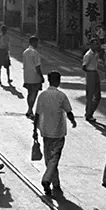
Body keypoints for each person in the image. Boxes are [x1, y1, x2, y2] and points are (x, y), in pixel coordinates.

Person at [34, 70, 76, 198]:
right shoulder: (61, 96)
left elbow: (37, 114)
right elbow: (68, 111)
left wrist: (34, 131)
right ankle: (47, 180)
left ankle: (55, 183)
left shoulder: (42, 95)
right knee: (55, 159)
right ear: (59, 81)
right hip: (58, 132)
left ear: (48, 80)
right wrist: (73, 121)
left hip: (45, 132)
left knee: (49, 159)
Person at [22, 35, 44, 119]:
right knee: (34, 94)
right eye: (37, 42)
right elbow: (37, 67)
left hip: (27, 76)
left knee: (29, 93)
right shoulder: (35, 53)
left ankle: (29, 110)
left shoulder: (25, 52)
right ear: (34, 42)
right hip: (35, 77)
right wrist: (41, 76)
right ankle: (30, 110)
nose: (38, 44)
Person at [81, 38, 101, 122]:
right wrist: (89, 74)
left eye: (97, 44)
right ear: (91, 44)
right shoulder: (88, 55)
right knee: (90, 95)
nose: (96, 45)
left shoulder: (95, 53)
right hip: (90, 73)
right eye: (95, 44)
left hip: (95, 72)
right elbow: (84, 66)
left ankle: (90, 111)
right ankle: (89, 114)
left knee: (97, 95)